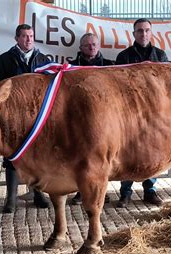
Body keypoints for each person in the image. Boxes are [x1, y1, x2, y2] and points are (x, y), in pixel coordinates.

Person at [0, 24, 51, 213]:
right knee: (11, 155)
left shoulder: (43, 60)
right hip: (13, 116)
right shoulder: (5, 59)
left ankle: (38, 193)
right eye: (24, 36)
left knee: (37, 156)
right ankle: (11, 198)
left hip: (37, 116)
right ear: (17, 38)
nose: (28, 39)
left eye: (31, 36)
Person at [115, 18, 168, 208]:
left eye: (146, 30)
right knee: (127, 150)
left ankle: (150, 191)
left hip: (154, 112)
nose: (143, 34)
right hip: (129, 112)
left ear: (151, 33)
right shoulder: (123, 57)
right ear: (134, 34)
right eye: (139, 31)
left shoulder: (161, 56)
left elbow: (165, 86)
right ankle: (125, 193)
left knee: (152, 151)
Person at [68, 33, 114, 205]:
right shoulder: (71, 67)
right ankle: (81, 192)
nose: (91, 47)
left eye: (94, 44)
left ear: (99, 46)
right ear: (80, 48)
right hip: (79, 120)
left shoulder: (111, 66)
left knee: (103, 157)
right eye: (87, 45)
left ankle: (102, 192)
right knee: (82, 157)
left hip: (105, 120)